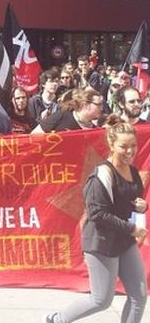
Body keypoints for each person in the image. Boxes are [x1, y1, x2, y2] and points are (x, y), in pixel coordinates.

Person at [43, 115, 147, 323]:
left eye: (133, 146)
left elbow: (132, 202)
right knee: (101, 299)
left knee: (139, 296)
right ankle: (56, 320)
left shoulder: (133, 172)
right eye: (123, 146)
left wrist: (142, 208)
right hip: (101, 242)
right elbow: (98, 215)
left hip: (124, 241)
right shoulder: (101, 175)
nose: (130, 151)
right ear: (111, 144)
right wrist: (132, 229)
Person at [32, 88, 103, 133]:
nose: (102, 108)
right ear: (85, 104)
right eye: (98, 104)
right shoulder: (61, 116)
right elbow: (35, 135)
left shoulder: (94, 131)